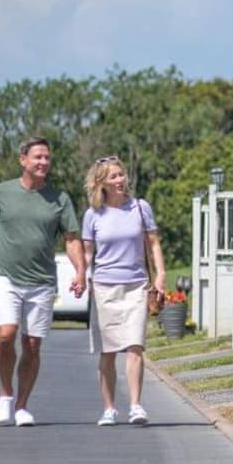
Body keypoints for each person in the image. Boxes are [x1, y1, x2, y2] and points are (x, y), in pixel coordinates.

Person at [0, 137, 86, 427]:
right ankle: (5, 393)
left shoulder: (60, 199)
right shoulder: (1, 193)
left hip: (43, 281)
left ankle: (22, 406)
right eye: (38, 157)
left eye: (47, 157)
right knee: (6, 334)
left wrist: (80, 271)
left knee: (32, 345)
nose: (44, 162)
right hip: (7, 277)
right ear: (23, 160)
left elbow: (71, 240)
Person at [81, 156, 166, 426]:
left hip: (137, 286)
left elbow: (153, 244)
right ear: (101, 182)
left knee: (135, 347)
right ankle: (109, 409)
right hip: (105, 287)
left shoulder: (140, 208)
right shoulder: (93, 214)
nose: (120, 180)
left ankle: (136, 406)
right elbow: (86, 253)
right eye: (113, 177)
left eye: (121, 175)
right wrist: (82, 277)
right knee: (107, 352)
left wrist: (161, 275)